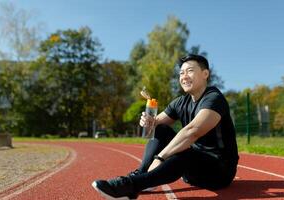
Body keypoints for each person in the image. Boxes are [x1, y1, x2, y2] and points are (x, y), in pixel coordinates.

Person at [92, 54, 239, 200]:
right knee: (161, 129)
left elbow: (192, 131)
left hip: (219, 171)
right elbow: (156, 124)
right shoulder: (181, 102)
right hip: (193, 168)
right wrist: (148, 121)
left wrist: (161, 157)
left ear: (205, 74)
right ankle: (143, 175)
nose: (184, 76)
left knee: (183, 151)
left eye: (190, 71)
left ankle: (131, 186)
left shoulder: (214, 99)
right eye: (181, 73)